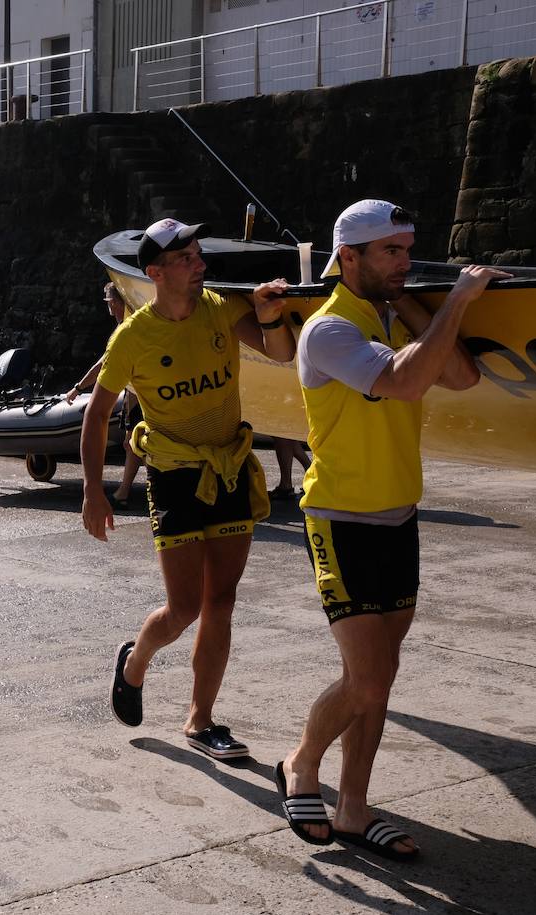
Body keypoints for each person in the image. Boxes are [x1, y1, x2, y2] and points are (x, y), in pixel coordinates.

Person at [277, 200, 505, 859]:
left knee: (379, 672)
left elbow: (460, 377)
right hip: (341, 520)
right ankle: (300, 762)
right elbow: (405, 383)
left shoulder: (387, 317)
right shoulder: (328, 331)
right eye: (390, 253)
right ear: (348, 258)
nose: (406, 261)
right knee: (368, 680)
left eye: (409, 250)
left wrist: (414, 306)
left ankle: (353, 808)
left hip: (398, 516)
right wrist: (458, 300)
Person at [80, 217, 294, 761]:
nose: (200, 264)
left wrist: (270, 317)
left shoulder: (220, 309)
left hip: (228, 468)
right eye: (187, 259)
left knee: (221, 599)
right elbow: (98, 415)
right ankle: (135, 661)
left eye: (199, 255)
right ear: (155, 273)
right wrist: (93, 491)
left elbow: (280, 353)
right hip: (174, 476)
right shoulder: (132, 336)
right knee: (184, 608)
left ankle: (201, 721)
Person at [66, 282, 143, 508]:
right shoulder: (128, 324)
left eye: (109, 303)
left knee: (135, 443)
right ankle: (124, 492)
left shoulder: (125, 329)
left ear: (114, 302)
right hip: (132, 392)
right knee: (131, 443)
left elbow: (102, 365)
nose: (108, 308)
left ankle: (126, 492)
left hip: (139, 393)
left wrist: (78, 388)